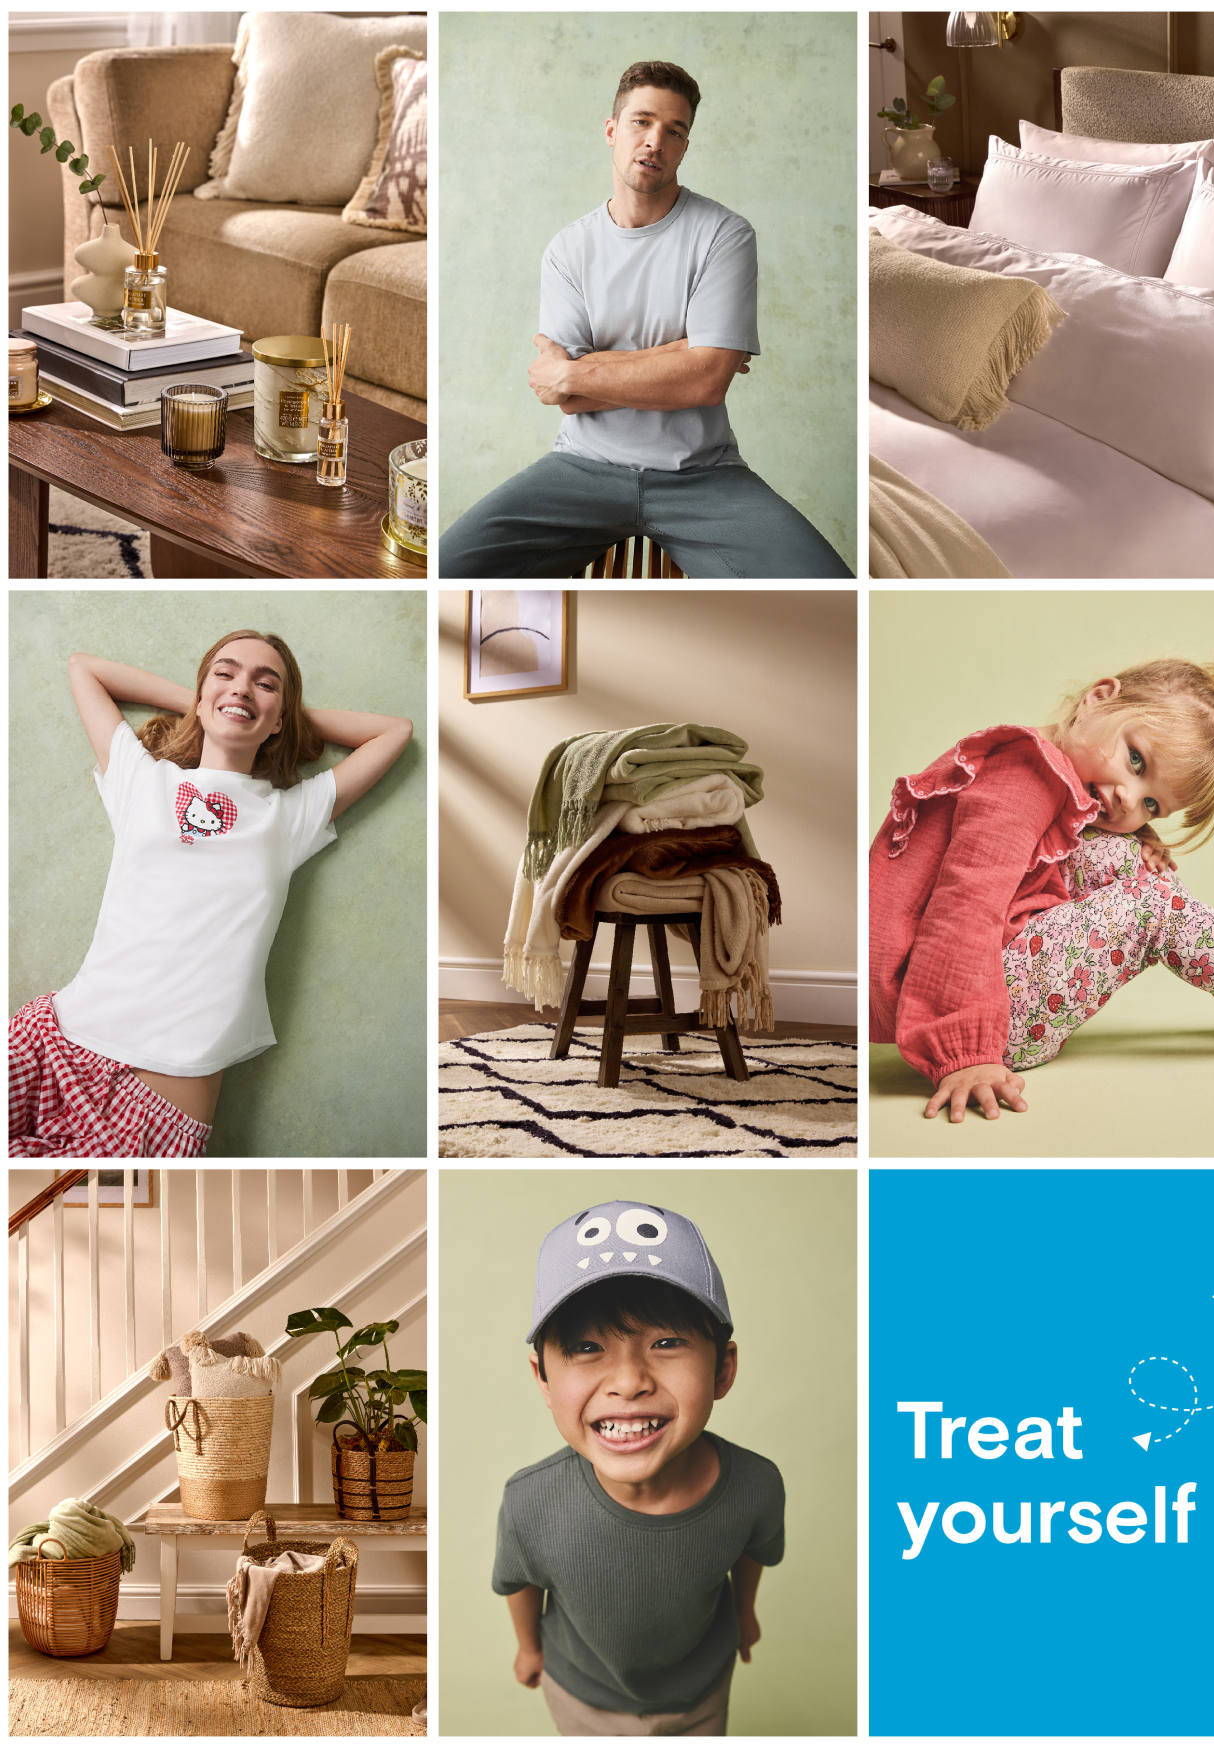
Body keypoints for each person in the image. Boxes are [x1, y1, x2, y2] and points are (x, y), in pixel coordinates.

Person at [440, 59, 854, 579]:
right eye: (641, 121)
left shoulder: (725, 235)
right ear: (612, 131)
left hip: (703, 477)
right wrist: (683, 352)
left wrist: (582, 370)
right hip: (580, 469)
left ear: (684, 146)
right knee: (449, 569)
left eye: (673, 130)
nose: (655, 140)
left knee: (830, 589)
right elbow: (568, 398)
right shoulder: (568, 249)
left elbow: (706, 382)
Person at [9, 630, 413, 1157]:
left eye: (265, 684)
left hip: (158, 1100)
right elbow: (84, 667)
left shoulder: (288, 816)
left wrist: (264, 714)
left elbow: (395, 732)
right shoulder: (144, 780)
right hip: (55, 1040)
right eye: (225, 673)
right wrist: (208, 704)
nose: (242, 687)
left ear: (282, 718)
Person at [870, 650, 1214, 1124]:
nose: (1129, 798)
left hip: (1004, 979)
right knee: (1149, 907)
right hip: (978, 1013)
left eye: (1152, 804)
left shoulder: (1058, 774)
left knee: (1129, 856)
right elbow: (965, 907)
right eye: (1135, 759)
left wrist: (1136, 838)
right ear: (1099, 698)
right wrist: (968, 1051)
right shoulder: (1024, 777)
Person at [493, 1200, 784, 1736]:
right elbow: (519, 1580)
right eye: (586, 1347)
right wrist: (528, 1647)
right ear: (543, 1379)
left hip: (702, 1688)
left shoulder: (755, 1485)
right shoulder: (529, 1500)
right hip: (580, 1691)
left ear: (723, 1368)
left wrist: (744, 1614)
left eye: (667, 1342)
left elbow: (751, 1551)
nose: (629, 1381)